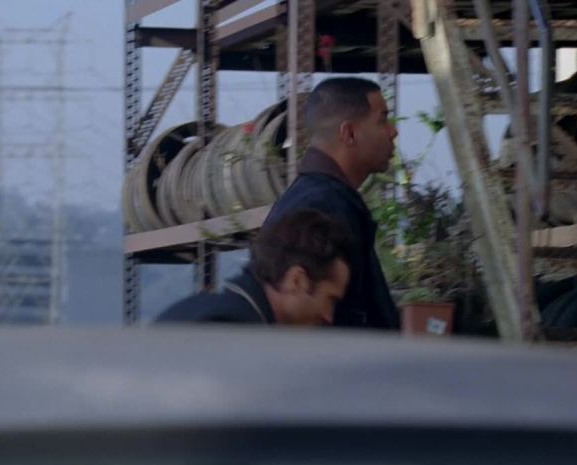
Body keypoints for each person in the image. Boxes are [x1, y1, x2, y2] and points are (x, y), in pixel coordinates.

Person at [263, 77, 400, 330]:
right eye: (382, 120)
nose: (393, 131)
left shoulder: (318, 198)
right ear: (349, 133)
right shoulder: (324, 208)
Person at [156, 209, 351, 326]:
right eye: (330, 300)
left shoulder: (204, 311)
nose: (329, 316)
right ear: (297, 280)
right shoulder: (233, 331)